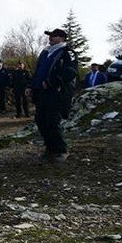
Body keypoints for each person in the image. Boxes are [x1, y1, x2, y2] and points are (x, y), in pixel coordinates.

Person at [31, 28, 78, 162]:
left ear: (62, 38)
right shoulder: (46, 52)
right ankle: (50, 149)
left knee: (52, 121)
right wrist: (31, 86)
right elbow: (39, 71)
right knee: (41, 121)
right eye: (50, 35)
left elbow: (71, 72)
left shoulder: (67, 52)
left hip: (56, 93)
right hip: (41, 93)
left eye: (54, 35)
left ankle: (60, 150)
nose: (50, 37)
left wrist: (52, 82)